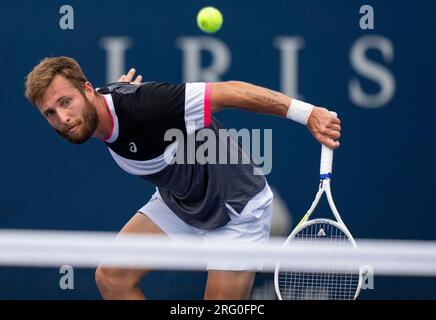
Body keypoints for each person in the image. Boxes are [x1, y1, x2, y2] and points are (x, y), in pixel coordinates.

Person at [24, 56, 341, 300]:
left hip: (236, 209)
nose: (62, 118)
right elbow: (114, 102)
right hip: (180, 202)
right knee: (112, 278)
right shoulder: (102, 108)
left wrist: (308, 113)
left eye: (66, 102)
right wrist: (117, 93)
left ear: (88, 91)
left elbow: (230, 92)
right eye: (50, 113)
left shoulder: (148, 104)